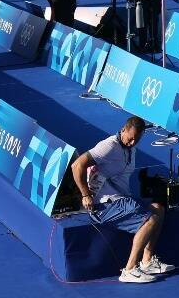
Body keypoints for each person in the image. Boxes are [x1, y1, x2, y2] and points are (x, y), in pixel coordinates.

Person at [70, 115, 170, 283]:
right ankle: (129, 270)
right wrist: (85, 194)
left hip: (122, 200)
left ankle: (146, 262)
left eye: (136, 140)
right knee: (150, 220)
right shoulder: (108, 146)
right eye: (130, 139)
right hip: (103, 206)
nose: (132, 143)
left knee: (158, 209)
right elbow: (77, 165)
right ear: (123, 130)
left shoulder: (132, 148)